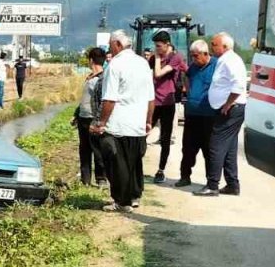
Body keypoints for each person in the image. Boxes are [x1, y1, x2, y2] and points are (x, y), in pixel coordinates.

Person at [91, 31, 155, 212]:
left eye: (111, 45)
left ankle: (122, 201)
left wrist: (102, 122)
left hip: (119, 124)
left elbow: (110, 99)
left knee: (117, 164)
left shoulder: (115, 65)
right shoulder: (143, 63)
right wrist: (148, 121)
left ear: (118, 44)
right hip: (137, 124)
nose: (110, 48)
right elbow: (151, 97)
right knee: (134, 164)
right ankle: (134, 196)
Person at [197, 32, 247, 197]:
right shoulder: (225, 60)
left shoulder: (230, 60)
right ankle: (232, 184)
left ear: (224, 46)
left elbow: (238, 84)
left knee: (216, 146)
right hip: (229, 108)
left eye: (214, 44)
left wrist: (228, 103)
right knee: (230, 147)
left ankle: (212, 185)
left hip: (230, 109)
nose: (211, 47)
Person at [177, 40, 216, 188]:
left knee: (208, 150)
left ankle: (210, 181)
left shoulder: (216, 65)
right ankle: (184, 176)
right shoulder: (193, 67)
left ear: (205, 53)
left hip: (209, 115)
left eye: (196, 56)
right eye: (192, 55)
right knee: (188, 148)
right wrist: (189, 91)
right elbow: (186, 76)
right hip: (192, 114)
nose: (193, 59)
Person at [149, 32, 187, 184]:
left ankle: (161, 170)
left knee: (165, 138)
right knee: (143, 132)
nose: (156, 49)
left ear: (167, 44)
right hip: (153, 102)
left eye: (159, 46)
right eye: (155, 46)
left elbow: (158, 74)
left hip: (167, 103)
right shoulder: (154, 58)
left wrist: (158, 59)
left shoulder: (175, 58)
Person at [74, 46, 108, 187]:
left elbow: (102, 101)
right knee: (84, 149)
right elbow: (85, 99)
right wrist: (76, 114)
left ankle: (101, 179)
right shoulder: (91, 77)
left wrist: (99, 120)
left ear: (91, 60)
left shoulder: (102, 78)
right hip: (83, 117)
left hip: (93, 118)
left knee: (97, 150)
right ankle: (85, 179)